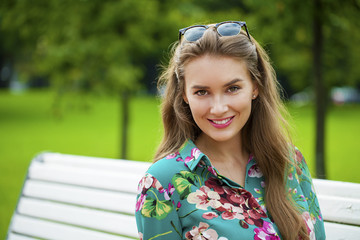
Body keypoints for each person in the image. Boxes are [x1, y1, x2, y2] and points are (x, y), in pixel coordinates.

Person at [135, 20, 325, 240]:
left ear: (255, 86)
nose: (218, 108)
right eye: (202, 92)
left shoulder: (290, 161)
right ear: (184, 95)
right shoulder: (161, 184)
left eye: (232, 88)